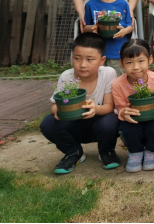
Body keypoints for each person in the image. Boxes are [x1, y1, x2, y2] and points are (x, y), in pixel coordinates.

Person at [40, 33, 120, 174]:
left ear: (102, 60)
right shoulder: (67, 76)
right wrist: (57, 111)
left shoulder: (108, 74)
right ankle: (74, 152)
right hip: (73, 125)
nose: (82, 64)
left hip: (99, 125)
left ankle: (106, 151)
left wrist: (95, 109)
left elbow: (109, 106)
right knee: (48, 123)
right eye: (77, 58)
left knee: (111, 120)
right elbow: (54, 105)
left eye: (90, 59)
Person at [111, 40, 154, 173]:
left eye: (141, 61)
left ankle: (152, 151)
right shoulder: (117, 84)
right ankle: (135, 152)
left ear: (150, 60)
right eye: (129, 62)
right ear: (121, 63)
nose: (135, 67)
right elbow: (121, 108)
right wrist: (124, 112)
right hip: (132, 118)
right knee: (129, 128)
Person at [83, 0, 133, 75]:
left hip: (117, 52)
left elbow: (130, 26)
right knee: (97, 81)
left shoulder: (123, 4)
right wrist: (93, 28)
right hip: (96, 53)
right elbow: (84, 27)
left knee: (117, 81)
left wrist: (124, 31)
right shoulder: (90, 5)